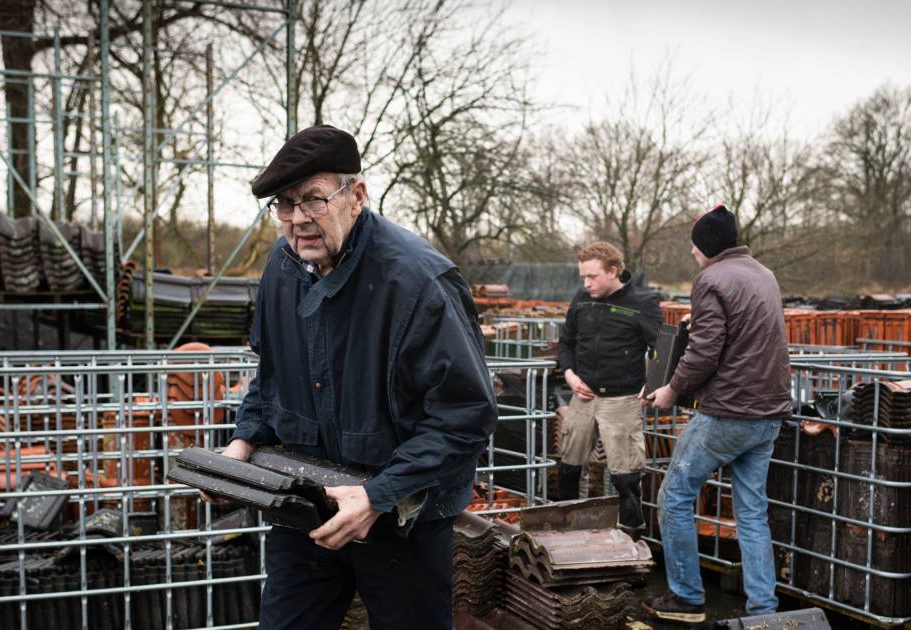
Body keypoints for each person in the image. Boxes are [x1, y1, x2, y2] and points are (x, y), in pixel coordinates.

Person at [210, 124, 498, 630]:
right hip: (304, 501)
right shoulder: (282, 267)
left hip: (399, 516)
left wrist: (377, 495)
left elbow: (466, 414)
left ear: (356, 195)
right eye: (285, 204)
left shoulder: (415, 281)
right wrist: (242, 445)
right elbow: (272, 373)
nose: (298, 220)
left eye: (314, 200)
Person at [641, 204, 792, 624]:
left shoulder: (709, 278)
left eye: (694, 248)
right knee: (751, 511)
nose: (692, 255)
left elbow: (704, 353)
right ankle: (764, 610)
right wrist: (702, 318)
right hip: (768, 413)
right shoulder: (763, 274)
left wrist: (671, 389)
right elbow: (748, 329)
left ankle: (687, 599)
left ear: (706, 247)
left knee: (673, 496)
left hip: (728, 412)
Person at [556, 241, 662, 536]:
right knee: (569, 465)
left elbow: (660, 349)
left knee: (625, 474)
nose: (586, 283)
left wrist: (652, 383)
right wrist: (569, 375)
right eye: (583, 277)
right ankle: (569, 530)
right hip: (583, 395)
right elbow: (567, 343)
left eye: (592, 276)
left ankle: (631, 537)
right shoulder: (581, 299)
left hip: (622, 399)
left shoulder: (642, 303)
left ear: (613, 271)